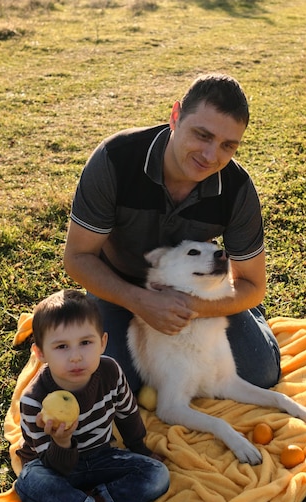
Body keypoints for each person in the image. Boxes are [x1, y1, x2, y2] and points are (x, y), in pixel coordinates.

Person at [64, 73, 281, 394]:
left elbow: (253, 284)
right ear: (176, 116)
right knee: (114, 382)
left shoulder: (237, 189)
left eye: (228, 146)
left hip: (195, 291)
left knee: (259, 372)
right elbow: (77, 258)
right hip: (119, 287)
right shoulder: (116, 158)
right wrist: (141, 301)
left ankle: (250, 321)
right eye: (202, 135)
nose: (211, 156)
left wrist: (191, 306)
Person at [14, 289, 170, 502]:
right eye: (61, 347)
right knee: (29, 482)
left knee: (157, 475)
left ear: (103, 343)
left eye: (85, 343)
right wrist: (62, 441)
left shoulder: (110, 372)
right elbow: (53, 465)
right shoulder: (35, 401)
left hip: (101, 455)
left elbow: (127, 412)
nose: (76, 357)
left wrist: (141, 448)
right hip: (57, 469)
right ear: (40, 353)